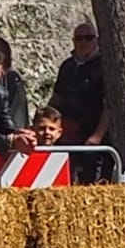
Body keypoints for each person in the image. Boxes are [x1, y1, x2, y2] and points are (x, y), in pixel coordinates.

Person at [48, 20, 109, 180]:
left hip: (92, 135)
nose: (83, 42)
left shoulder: (104, 66)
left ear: (96, 40)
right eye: (79, 38)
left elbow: (109, 105)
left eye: (88, 38)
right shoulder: (67, 66)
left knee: (92, 182)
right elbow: (57, 98)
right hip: (68, 133)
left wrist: (98, 135)